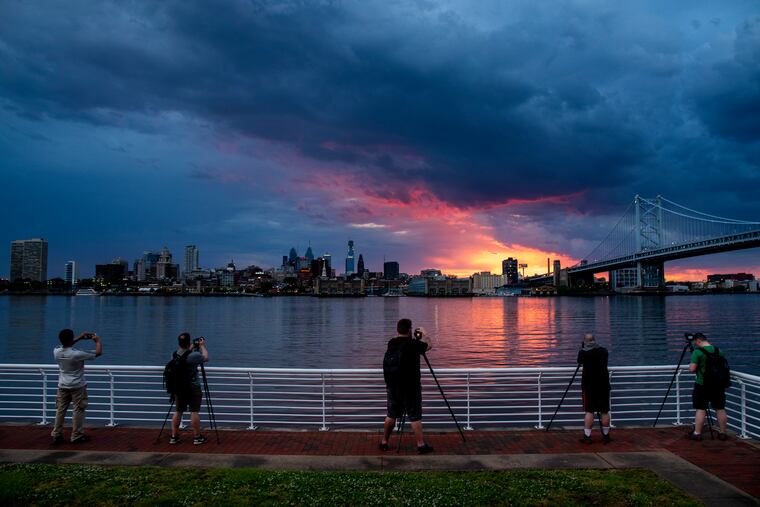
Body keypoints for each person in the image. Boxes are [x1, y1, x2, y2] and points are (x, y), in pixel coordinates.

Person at [380, 318, 434, 454]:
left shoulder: (391, 343)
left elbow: (397, 339)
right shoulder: (413, 345)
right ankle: (421, 445)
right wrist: (425, 335)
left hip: (392, 385)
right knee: (415, 415)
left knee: (391, 414)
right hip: (410, 387)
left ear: (398, 330)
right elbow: (428, 346)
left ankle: (384, 442)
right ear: (410, 330)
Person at [51, 329, 103, 444]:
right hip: (77, 386)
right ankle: (76, 435)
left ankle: (56, 435)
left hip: (62, 385)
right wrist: (97, 341)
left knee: (60, 410)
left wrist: (79, 337)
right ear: (71, 339)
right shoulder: (76, 354)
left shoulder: (56, 351)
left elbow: (67, 344)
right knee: (78, 410)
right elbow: (98, 353)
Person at [170, 332, 209, 445]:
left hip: (179, 387)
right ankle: (197, 437)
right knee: (194, 412)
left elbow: (184, 358)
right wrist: (201, 346)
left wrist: (189, 349)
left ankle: (174, 436)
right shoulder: (194, 356)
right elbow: (205, 357)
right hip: (193, 387)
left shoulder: (174, 354)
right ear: (189, 342)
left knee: (178, 411)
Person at [688, 333, 728, 441]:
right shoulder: (719, 350)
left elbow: (692, 369)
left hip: (702, 384)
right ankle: (723, 433)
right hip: (718, 385)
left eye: (695, 342)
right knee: (720, 408)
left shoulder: (697, 352)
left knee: (701, 408)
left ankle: (697, 433)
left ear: (698, 341)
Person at [577, 333, 611, 444]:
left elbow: (579, 361)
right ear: (594, 340)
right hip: (604, 386)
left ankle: (587, 436)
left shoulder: (583, 353)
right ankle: (606, 435)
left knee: (589, 411)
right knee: (605, 411)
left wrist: (583, 347)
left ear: (585, 342)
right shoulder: (604, 351)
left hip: (589, 387)